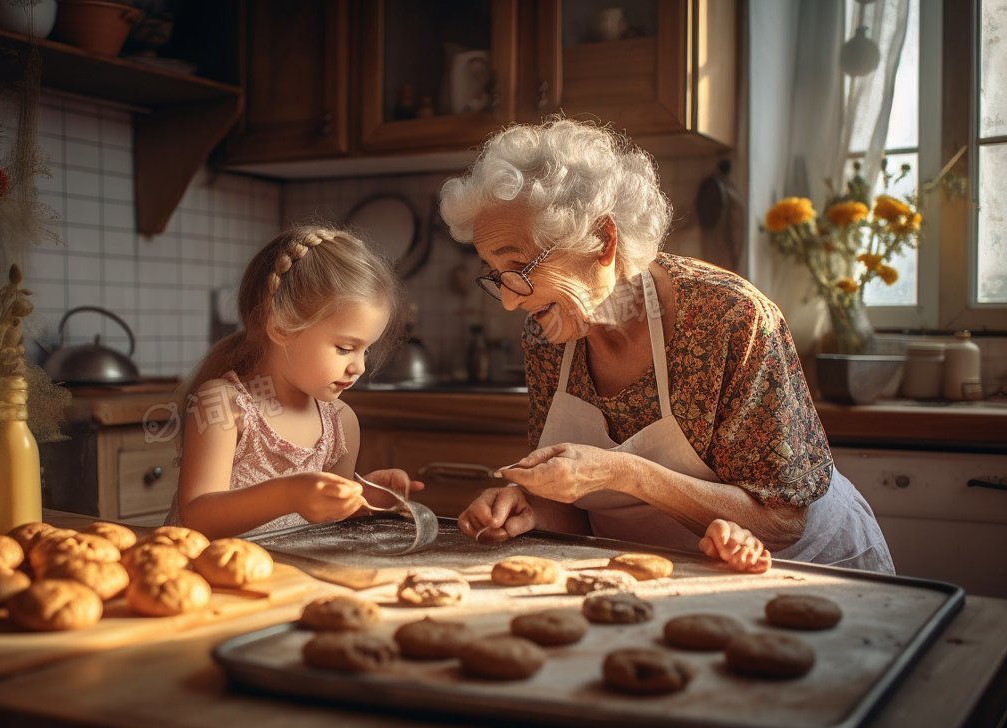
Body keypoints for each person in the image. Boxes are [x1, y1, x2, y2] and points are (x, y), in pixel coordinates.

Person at [438, 118, 894, 574]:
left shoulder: (729, 318)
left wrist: (624, 471)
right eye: (497, 277)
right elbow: (575, 506)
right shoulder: (548, 334)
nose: (510, 300)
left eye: (519, 267)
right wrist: (529, 508)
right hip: (669, 575)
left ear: (603, 239)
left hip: (809, 572)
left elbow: (779, 521)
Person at [168, 225, 421, 538]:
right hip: (209, 577)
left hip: (290, 579)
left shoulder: (341, 422)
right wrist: (290, 495)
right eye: (345, 348)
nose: (358, 366)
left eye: (365, 350)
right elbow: (198, 516)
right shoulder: (223, 405)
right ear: (282, 328)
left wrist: (364, 498)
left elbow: (330, 525)